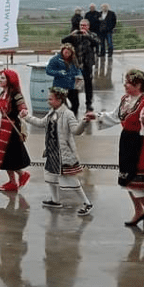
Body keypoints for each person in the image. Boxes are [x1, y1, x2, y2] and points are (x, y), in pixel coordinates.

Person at [95, 69, 144, 232]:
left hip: (140, 145)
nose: (125, 85)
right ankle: (139, 211)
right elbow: (115, 116)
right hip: (127, 141)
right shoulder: (126, 99)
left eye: (128, 83)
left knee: (137, 183)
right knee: (127, 181)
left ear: (138, 85)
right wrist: (97, 116)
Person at [21, 87, 95, 215]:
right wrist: (27, 117)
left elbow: (76, 131)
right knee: (51, 176)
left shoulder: (68, 114)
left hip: (64, 154)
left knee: (71, 180)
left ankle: (87, 203)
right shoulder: (52, 112)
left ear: (59, 100)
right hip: (53, 152)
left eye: (51, 99)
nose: (48, 101)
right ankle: (55, 200)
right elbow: (40, 123)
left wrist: (84, 122)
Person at [61, 20, 100, 112]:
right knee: (74, 84)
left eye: (84, 25)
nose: (82, 27)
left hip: (87, 63)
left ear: (88, 26)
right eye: (81, 25)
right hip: (76, 63)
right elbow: (63, 41)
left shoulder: (92, 34)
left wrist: (87, 36)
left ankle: (88, 103)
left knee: (88, 83)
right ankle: (75, 104)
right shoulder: (75, 35)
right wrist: (71, 35)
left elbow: (97, 43)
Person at [46, 44, 83, 116]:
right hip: (59, 86)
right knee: (61, 105)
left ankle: (72, 117)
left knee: (76, 104)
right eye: (65, 52)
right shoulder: (55, 59)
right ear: (62, 51)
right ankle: (61, 118)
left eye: (69, 53)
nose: (67, 54)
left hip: (72, 86)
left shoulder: (74, 60)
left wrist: (79, 75)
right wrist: (58, 73)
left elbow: (78, 69)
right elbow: (48, 70)